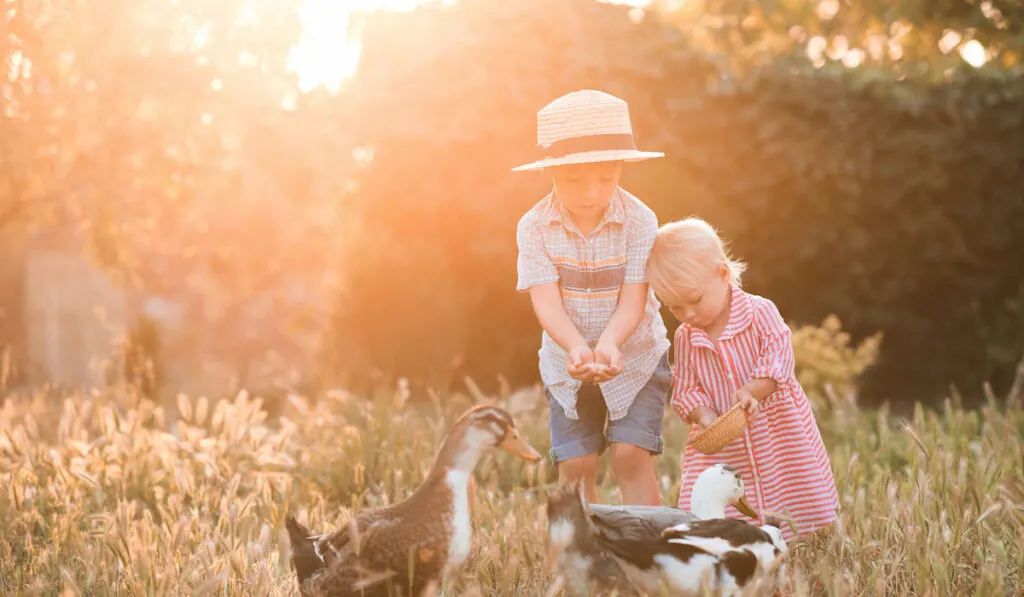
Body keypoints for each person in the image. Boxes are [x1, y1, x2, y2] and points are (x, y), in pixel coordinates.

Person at [512, 89, 671, 506]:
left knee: (629, 455)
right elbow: (546, 303)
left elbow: (634, 299)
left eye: (606, 179)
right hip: (568, 361)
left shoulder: (641, 220)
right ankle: (577, 561)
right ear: (550, 172)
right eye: (574, 180)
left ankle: (648, 556)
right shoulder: (533, 228)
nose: (590, 193)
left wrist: (610, 344)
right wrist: (579, 348)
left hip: (634, 355)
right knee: (577, 465)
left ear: (621, 168)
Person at [647, 216, 839, 540]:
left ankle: (799, 534)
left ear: (723, 275)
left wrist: (753, 389)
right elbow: (686, 388)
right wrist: (705, 415)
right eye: (675, 307)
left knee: (791, 483)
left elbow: (779, 359)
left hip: (775, 429)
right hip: (725, 440)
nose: (687, 314)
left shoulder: (760, 312)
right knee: (723, 500)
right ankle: (734, 542)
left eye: (694, 300)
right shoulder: (686, 336)